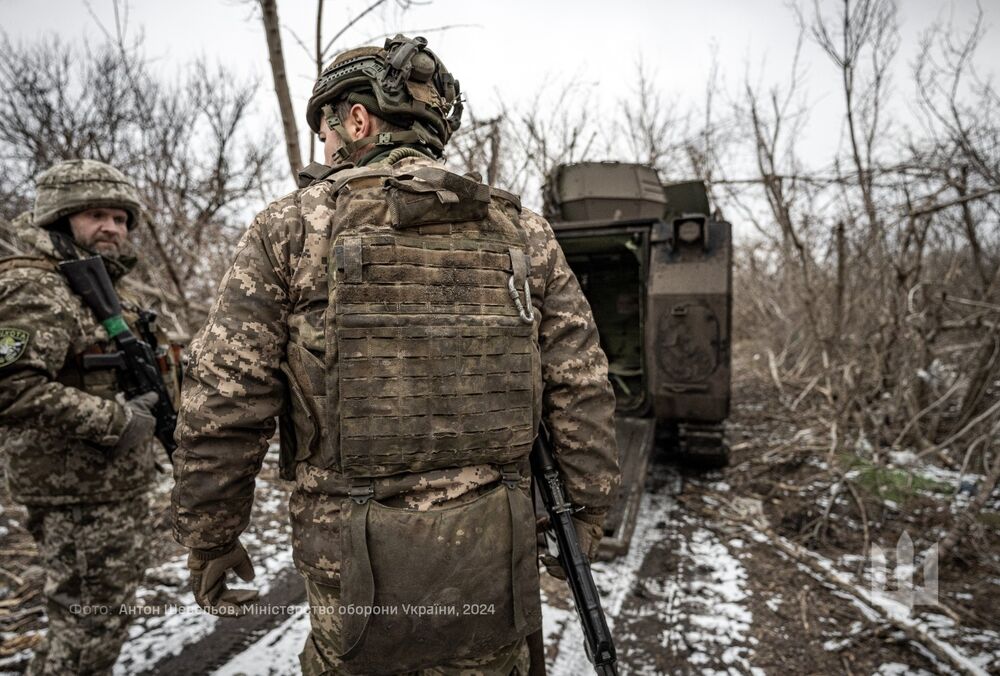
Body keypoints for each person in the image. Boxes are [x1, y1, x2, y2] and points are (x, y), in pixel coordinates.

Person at [171, 34, 620, 675]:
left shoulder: (292, 229)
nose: (325, 150)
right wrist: (587, 510)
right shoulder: (523, 232)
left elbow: (224, 400)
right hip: (496, 554)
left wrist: (211, 535)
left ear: (356, 119)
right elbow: (581, 384)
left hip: (351, 563)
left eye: (325, 133)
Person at [0, 159, 180, 675]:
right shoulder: (37, 287)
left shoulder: (100, 291)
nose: (113, 228)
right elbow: (12, 387)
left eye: (121, 218)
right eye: (96, 215)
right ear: (60, 219)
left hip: (108, 487)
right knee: (85, 629)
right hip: (75, 495)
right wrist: (116, 421)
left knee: (99, 620)